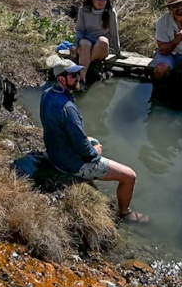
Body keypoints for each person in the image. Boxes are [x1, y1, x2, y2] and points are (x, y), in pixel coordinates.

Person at [41, 59, 147, 222]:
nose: (79, 77)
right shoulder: (68, 109)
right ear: (62, 80)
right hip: (69, 164)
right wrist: (95, 153)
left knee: (93, 139)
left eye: (78, 73)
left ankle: (90, 177)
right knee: (129, 176)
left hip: (55, 152)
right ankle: (125, 213)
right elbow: (85, 150)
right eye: (74, 75)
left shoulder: (47, 94)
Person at [75, 0, 120, 82]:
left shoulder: (111, 12)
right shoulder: (83, 11)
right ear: (92, 0)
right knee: (85, 43)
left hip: (100, 49)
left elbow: (114, 33)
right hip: (85, 48)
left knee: (103, 40)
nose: (101, 2)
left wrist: (118, 52)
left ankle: (83, 65)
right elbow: (80, 30)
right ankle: (82, 78)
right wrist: (75, 45)